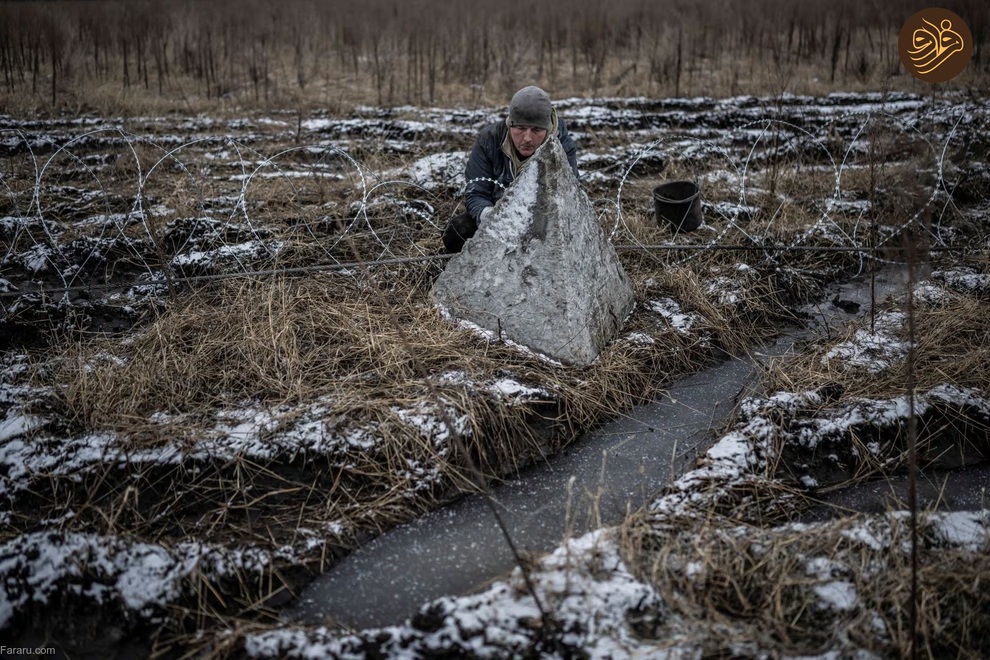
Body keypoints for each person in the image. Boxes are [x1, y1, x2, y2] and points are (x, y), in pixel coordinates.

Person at [442, 86, 579, 253]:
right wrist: (490, 216)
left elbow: (567, 199)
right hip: (496, 219)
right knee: (457, 231)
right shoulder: (489, 141)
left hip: (543, 227)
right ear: (510, 124)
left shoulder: (563, 147)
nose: (527, 138)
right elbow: (476, 192)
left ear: (548, 128)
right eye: (520, 129)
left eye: (536, 130)